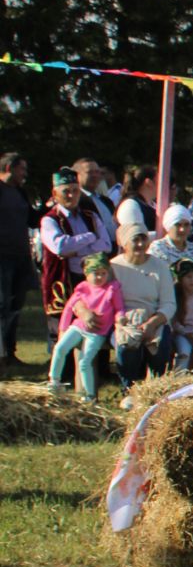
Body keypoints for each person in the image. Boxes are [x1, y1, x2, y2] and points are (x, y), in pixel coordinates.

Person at [39, 166, 113, 356]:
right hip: (64, 279)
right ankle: (63, 373)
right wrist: (89, 238)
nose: (71, 195)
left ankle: (98, 367)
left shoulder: (91, 216)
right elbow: (60, 247)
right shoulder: (50, 220)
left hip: (90, 278)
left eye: (75, 190)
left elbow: (105, 245)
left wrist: (76, 249)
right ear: (55, 193)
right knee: (63, 323)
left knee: (96, 319)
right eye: (66, 191)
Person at [110, 223, 176, 390]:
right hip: (125, 318)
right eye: (135, 240)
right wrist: (122, 320)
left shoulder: (160, 266)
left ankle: (155, 388)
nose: (140, 244)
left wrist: (152, 323)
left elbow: (169, 303)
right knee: (127, 344)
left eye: (143, 239)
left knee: (161, 345)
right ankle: (129, 389)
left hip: (153, 316)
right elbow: (107, 300)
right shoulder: (114, 267)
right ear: (125, 243)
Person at [48, 254, 120, 401]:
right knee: (60, 348)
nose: (99, 277)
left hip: (98, 332)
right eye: (96, 274)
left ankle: (89, 394)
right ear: (86, 274)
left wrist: (120, 318)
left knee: (85, 362)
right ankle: (54, 380)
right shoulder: (82, 288)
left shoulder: (112, 289)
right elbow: (69, 308)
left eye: (103, 273)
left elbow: (119, 308)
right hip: (79, 326)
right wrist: (62, 330)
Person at [1, 153, 39, 366]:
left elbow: (33, 220)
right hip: (2, 257)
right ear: (9, 168)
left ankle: (10, 351)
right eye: (21, 169)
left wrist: (48, 208)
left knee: (16, 304)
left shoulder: (20, 192)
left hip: (21, 256)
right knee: (2, 304)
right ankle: (2, 353)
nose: (24, 174)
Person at [115, 166, 159, 234]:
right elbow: (136, 236)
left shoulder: (151, 205)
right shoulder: (130, 205)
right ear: (149, 182)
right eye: (159, 180)